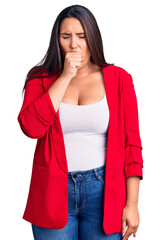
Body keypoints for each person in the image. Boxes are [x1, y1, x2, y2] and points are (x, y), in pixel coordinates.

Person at [17, 4, 144, 240]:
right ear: (57, 40)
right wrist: (65, 76)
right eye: (66, 36)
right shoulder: (40, 78)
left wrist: (133, 203)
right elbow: (31, 127)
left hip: (104, 192)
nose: (74, 44)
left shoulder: (120, 79)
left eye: (81, 36)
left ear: (92, 38)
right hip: (52, 193)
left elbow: (132, 146)